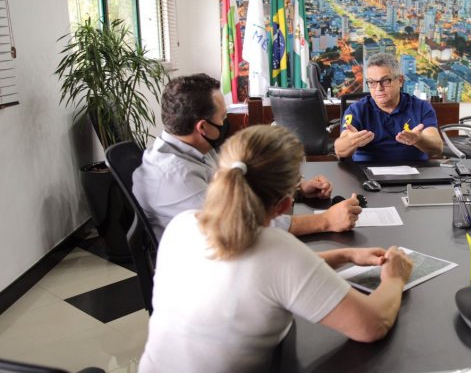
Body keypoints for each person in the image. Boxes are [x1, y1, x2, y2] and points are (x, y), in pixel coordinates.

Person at [139, 125, 413, 372]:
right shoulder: (277, 250)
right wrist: (395, 278)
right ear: (284, 205)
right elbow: (372, 325)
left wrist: (345, 255)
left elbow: (262, 278)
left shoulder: (182, 224)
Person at [133, 74, 361, 240]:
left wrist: (298, 189)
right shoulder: (177, 175)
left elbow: (238, 187)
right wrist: (325, 221)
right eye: (223, 118)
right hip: (210, 270)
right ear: (202, 127)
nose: (225, 124)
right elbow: (244, 224)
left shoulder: (192, 149)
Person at [334, 53, 444, 162]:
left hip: (414, 174)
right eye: (372, 82)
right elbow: (339, 150)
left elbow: (437, 147)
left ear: (400, 80)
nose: (378, 88)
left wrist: (419, 140)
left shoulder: (421, 107)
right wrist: (351, 142)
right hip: (366, 174)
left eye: (385, 81)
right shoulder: (356, 110)